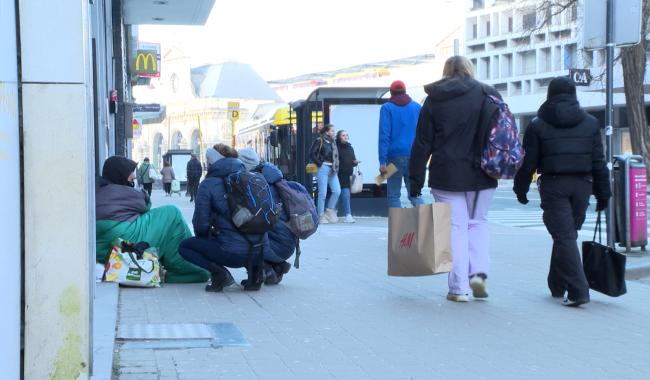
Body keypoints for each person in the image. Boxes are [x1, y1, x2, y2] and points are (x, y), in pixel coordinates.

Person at [409, 56, 501, 302]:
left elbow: (422, 142)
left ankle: (459, 288)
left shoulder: (434, 99)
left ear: (446, 72)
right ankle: (478, 278)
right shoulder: (488, 93)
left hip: (446, 173)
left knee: (455, 228)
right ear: (469, 70)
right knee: (478, 224)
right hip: (484, 171)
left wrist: (415, 179)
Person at [514, 77, 611, 307]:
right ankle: (556, 284)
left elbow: (528, 163)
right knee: (567, 235)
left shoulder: (537, 124)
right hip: (582, 185)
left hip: (554, 185)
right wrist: (603, 192)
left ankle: (578, 290)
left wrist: (521, 187)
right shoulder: (590, 123)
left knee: (564, 236)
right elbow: (598, 161)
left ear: (550, 95)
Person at [95, 156, 209, 283]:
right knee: (172, 214)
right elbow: (146, 205)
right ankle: (188, 263)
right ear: (120, 174)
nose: (133, 176)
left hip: (106, 248)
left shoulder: (100, 191)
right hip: (123, 238)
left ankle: (184, 261)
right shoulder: (121, 191)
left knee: (168, 225)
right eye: (130, 173)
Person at [179, 144, 272, 292]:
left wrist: (208, 239)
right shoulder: (254, 177)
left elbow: (200, 224)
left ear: (211, 162)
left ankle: (219, 274)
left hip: (233, 253)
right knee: (244, 240)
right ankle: (255, 275)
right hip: (262, 250)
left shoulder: (208, 185)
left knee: (185, 246)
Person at [239, 147, 294, 284]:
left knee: (238, 236)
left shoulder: (257, 184)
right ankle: (277, 266)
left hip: (277, 246)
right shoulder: (272, 178)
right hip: (288, 243)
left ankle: (265, 271)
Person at [378, 80, 424, 208]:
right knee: (415, 193)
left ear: (391, 93)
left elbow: (384, 135)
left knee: (393, 195)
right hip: (414, 155)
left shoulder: (387, 108)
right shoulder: (416, 107)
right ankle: (426, 221)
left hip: (393, 157)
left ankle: (397, 226)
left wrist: (382, 161)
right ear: (405, 91)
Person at [309, 124, 341, 224]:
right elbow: (311, 153)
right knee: (322, 193)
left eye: (334, 131)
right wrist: (320, 163)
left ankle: (329, 211)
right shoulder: (320, 140)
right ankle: (321, 215)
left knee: (337, 191)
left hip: (333, 168)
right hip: (323, 168)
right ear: (327, 132)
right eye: (332, 131)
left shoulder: (333, 142)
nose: (334, 133)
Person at [336, 130, 359, 223]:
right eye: (343, 135)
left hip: (349, 174)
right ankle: (348, 215)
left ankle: (332, 211)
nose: (345, 137)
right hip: (340, 174)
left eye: (346, 135)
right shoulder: (336, 147)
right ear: (339, 137)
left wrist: (355, 162)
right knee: (345, 193)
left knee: (341, 195)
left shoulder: (350, 147)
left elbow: (352, 160)